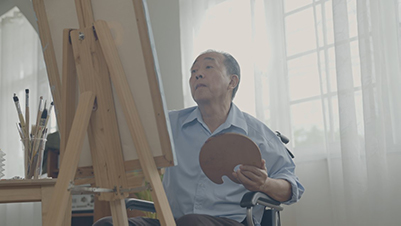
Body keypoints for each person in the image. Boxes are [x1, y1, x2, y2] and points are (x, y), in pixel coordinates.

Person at [93, 50, 304, 226]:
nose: (197, 75)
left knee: (191, 223)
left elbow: (293, 188)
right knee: (107, 224)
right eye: (193, 71)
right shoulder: (168, 124)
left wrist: (265, 184)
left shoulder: (257, 133)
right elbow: (124, 137)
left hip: (230, 222)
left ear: (232, 81)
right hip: (172, 221)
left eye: (208, 68)